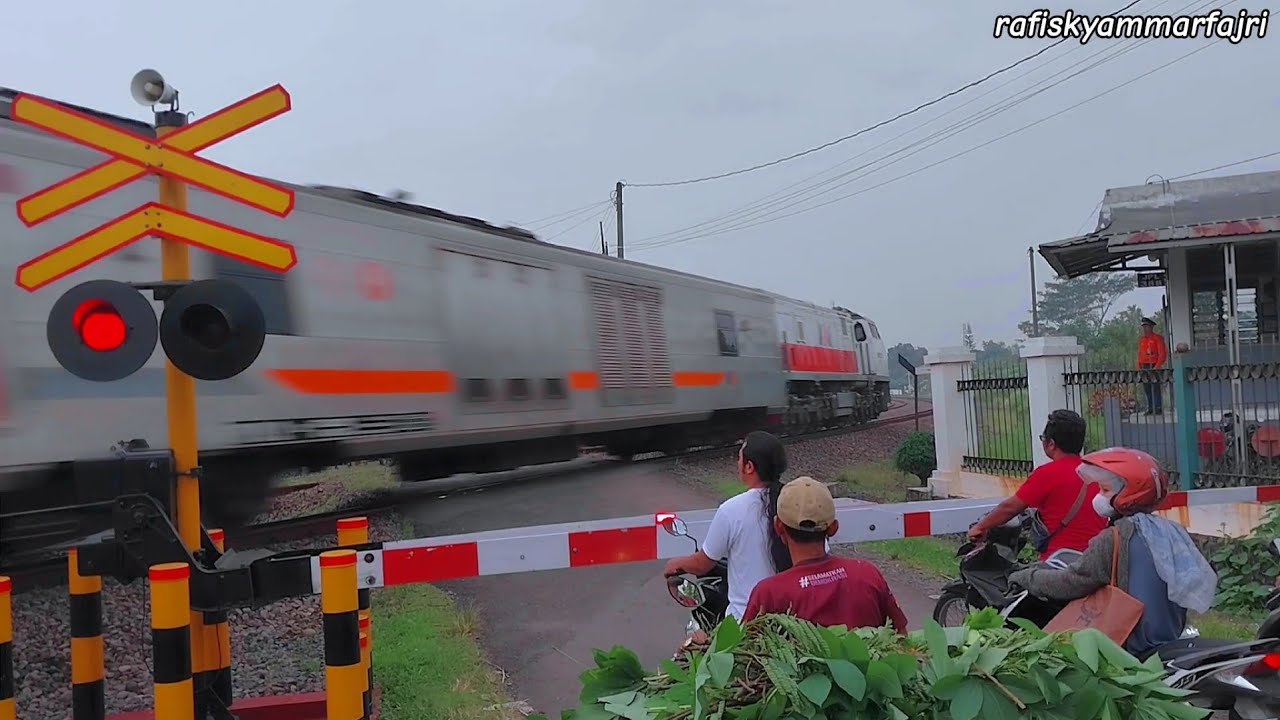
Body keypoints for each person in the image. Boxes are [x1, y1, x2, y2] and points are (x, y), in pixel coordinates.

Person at [1009, 447, 1218, 658]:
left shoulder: (1117, 536)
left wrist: (1027, 577)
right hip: (1171, 635)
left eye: (1105, 490)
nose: (1099, 497)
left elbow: (1072, 582)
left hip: (1131, 643)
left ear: (1129, 495)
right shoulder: (1172, 531)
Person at [742, 477, 908, 632]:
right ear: (833, 528)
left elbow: (744, 650)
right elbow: (901, 638)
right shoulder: (867, 574)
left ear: (778, 526)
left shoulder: (769, 594)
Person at [663, 430, 791, 621]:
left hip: (745, 622)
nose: (737, 463)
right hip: (791, 619)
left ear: (749, 467)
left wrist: (676, 564)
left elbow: (701, 565)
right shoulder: (794, 503)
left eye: (739, 458)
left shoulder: (731, 510)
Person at [967, 409, 1108, 561]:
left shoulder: (1047, 474)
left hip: (1058, 562)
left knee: (1021, 575)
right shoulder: (1098, 473)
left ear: (1051, 444)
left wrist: (980, 527)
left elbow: (1010, 508)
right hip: (1097, 560)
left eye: (1043, 438)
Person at [1137, 317, 1168, 415]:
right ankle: (1150, 407)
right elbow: (1140, 354)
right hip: (1144, 366)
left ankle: (1157, 407)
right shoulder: (1142, 340)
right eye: (1144, 327)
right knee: (1147, 388)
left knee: (1155, 387)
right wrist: (1139, 367)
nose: (1145, 329)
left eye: (1146, 326)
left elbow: (1162, 354)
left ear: (1151, 327)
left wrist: (1157, 366)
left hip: (1154, 365)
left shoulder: (1157, 338)